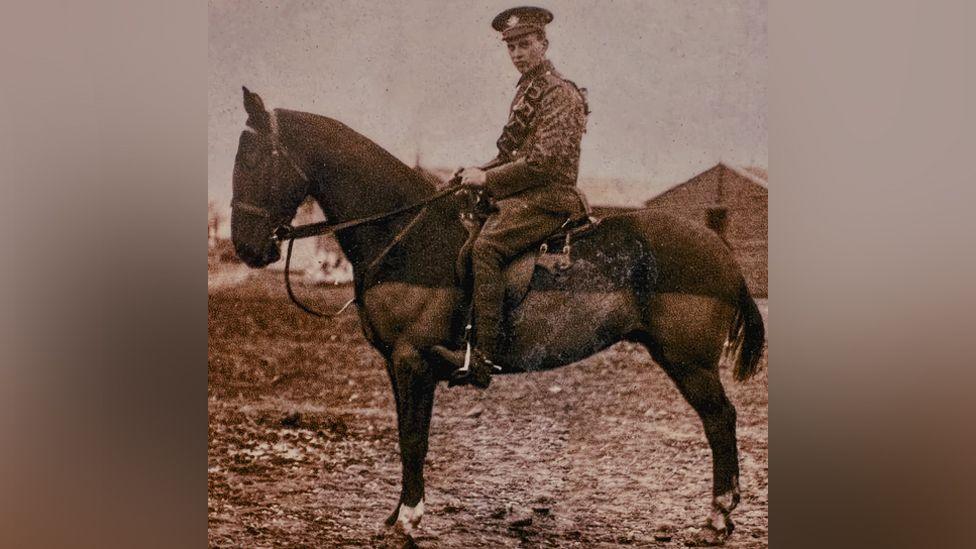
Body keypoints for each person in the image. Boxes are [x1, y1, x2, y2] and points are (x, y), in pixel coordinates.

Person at [433, 6, 590, 388]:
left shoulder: (560, 94)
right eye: (511, 47)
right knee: (468, 242)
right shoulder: (529, 91)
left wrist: (486, 177)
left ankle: (484, 358)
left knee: (487, 248)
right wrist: (472, 174)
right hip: (525, 195)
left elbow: (542, 164)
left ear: (543, 43)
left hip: (550, 198)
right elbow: (509, 155)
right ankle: (465, 339)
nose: (517, 53)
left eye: (525, 44)